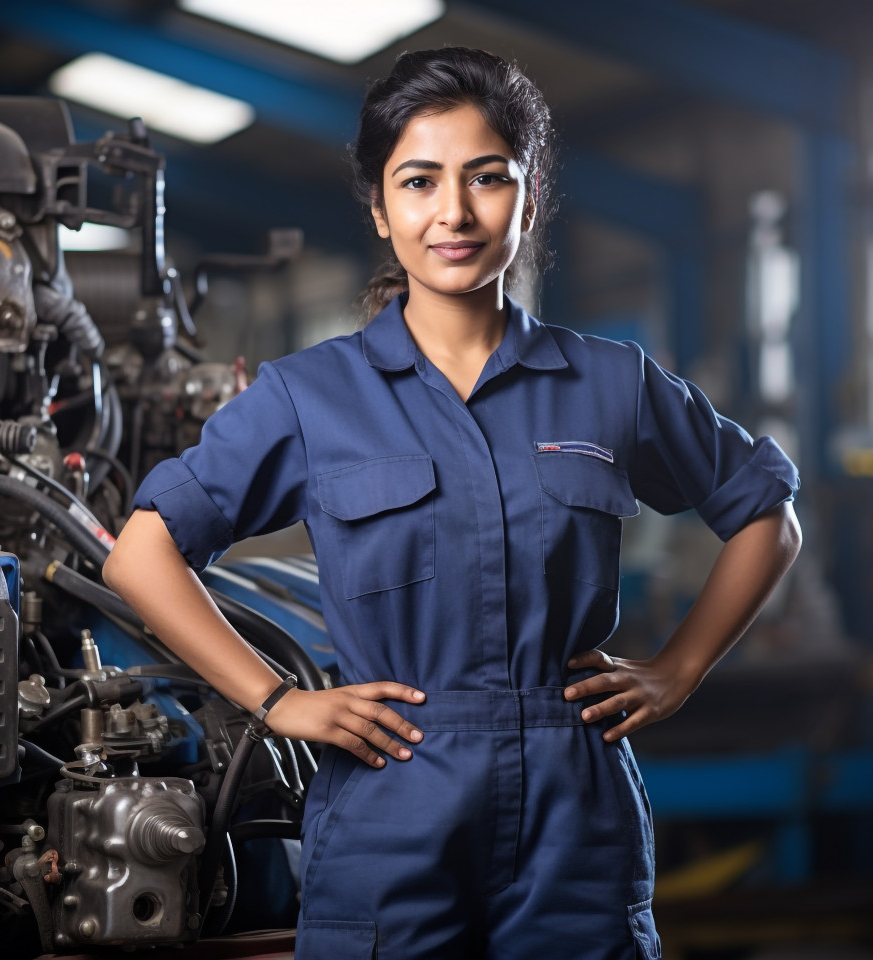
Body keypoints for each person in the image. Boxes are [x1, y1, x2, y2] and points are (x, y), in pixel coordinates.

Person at [103, 46, 801, 960]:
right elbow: (140, 555)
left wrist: (676, 670)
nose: (455, 213)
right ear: (380, 207)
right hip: (393, 796)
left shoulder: (611, 384)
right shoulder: (309, 396)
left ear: (531, 190)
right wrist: (277, 700)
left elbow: (764, 515)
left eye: (487, 178)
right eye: (420, 181)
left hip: (574, 807)